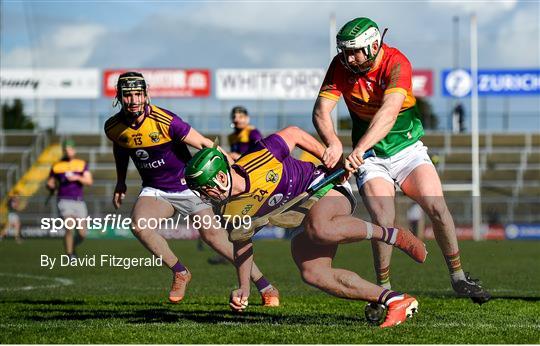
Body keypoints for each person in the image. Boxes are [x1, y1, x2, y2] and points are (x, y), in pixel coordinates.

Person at [312, 17, 491, 312]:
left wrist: (359, 148)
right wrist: (332, 141)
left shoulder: (397, 63)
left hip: (407, 150)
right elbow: (321, 110)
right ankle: (383, 291)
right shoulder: (340, 66)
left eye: (354, 51)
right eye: (344, 51)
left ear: (372, 45)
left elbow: (390, 111)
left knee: (436, 207)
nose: (348, 57)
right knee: (384, 220)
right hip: (372, 161)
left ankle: (458, 276)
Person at [185, 126, 427, 328]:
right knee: (313, 273)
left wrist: (327, 157)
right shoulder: (229, 211)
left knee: (320, 228)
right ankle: (395, 300)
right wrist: (244, 288)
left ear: (221, 177)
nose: (205, 196)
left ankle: (392, 235)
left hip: (323, 187)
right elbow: (242, 245)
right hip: (299, 216)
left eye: (205, 189)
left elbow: (294, 134)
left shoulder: (259, 157)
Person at [104, 71, 279, 306]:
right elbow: (121, 148)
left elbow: (206, 144)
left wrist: (234, 172)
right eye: (128, 95)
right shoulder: (113, 127)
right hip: (156, 191)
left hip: (189, 188)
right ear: (119, 97)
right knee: (139, 226)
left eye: (138, 94)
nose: (134, 100)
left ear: (146, 95)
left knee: (216, 239)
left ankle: (266, 286)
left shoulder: (166, 121)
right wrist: (121, 181)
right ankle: (180, 272)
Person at [205, 106, 263, 264]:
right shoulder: (232, 136)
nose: (237, 119)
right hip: (237, 178)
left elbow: (261, 152)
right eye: (235, 116)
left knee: (237, 217)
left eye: (240, 116)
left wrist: (240, 157)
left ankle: (237, 253)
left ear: (247, 118)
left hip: (250, 179)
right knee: (228, 217)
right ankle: (229, 252)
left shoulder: (253, 133)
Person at [47, 140, 93, 258]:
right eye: (66, 150)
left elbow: (89, 181)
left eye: (70, 149)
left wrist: (77, 177)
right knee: (69, 227)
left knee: (82, 234)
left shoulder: (81, 164)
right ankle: (70, 254)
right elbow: (50, 182)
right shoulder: (56, 166)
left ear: (74, 150)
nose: (68, 152)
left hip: (79, 201)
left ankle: (72, 247)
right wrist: (50, 186)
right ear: (63, 151)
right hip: (64, 201)